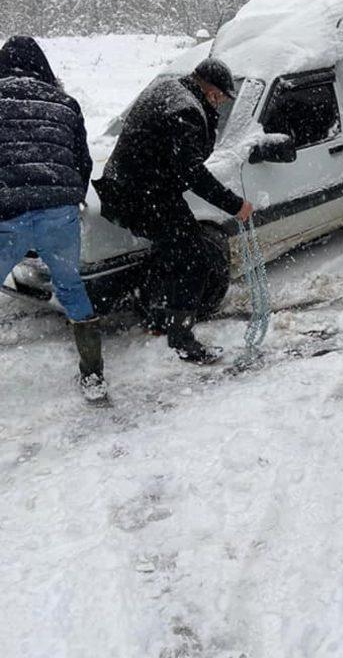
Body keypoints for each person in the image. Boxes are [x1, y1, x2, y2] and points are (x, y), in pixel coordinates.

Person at [94, 57, 253, 364]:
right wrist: (235, 205)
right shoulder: (185, 110)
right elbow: (191, 172)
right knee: (193, 257)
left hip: (132, 188)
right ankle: (181, 338)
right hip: (143, 194)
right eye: (221, 96)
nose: (221, 103)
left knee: (172, 250)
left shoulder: (170, 90)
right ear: (211, 90)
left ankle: (158, 316)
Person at [0, 36, 107, 402]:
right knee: (71, 286)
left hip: (7, 212)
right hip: (58, 211)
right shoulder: (64, 103)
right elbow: (83, 162)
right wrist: (69, 197)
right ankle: (93, 374)